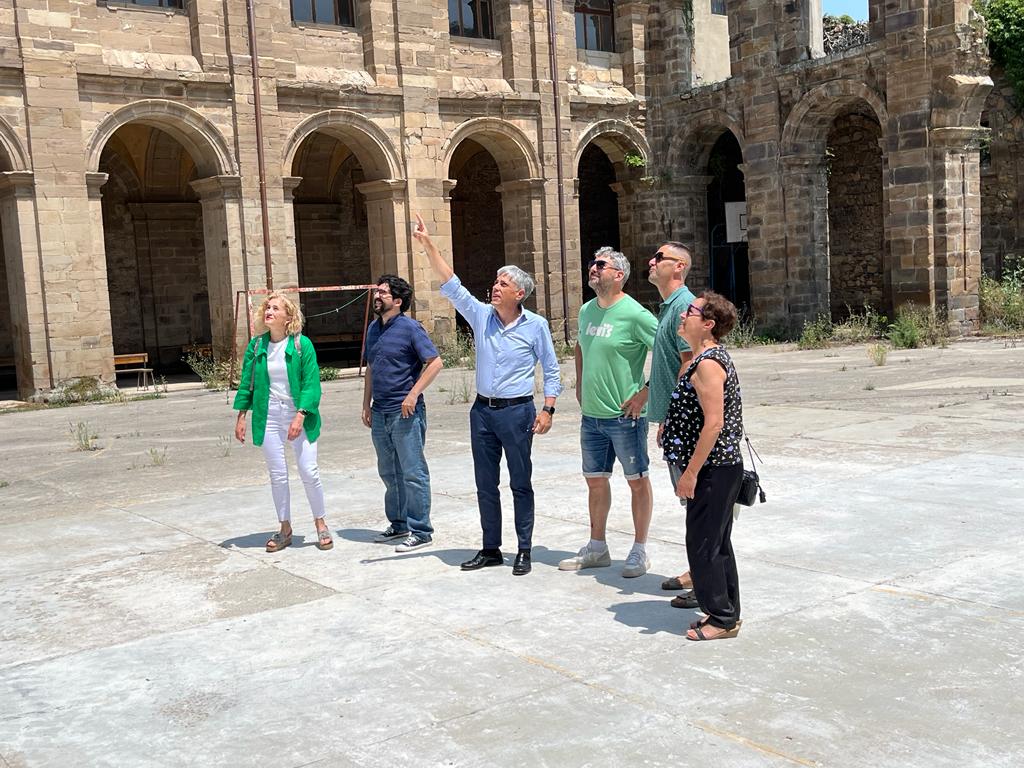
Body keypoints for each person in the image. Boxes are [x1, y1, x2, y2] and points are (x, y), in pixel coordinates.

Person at [412, 212, 561, 576]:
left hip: (518, 412)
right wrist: (428, 244)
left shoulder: (536, 326)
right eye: (495, 281)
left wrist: (548, 409)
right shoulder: (480, 316)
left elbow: (552, 369)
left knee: (520, 482)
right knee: (485, 483)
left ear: (519, 293)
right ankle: (491, 548)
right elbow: (452, 285)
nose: (494, 286)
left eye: (503, 283)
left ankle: (524, 549)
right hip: (482, 412)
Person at [558, 247, 658, 578]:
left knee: (637, 482)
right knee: (595, 482)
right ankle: (597, 547)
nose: (593, 268)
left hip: (625, 418)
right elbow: (580, 346)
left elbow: (671, 353)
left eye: (600, 265)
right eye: (592, 263)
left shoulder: (635, 314)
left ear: (619, 275)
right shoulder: (587, 311)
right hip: (593, 418)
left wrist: (645, 394)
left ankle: (640, 549)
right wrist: (580, 382)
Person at [662, 291, 745, 641]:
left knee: (703, 544)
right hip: (717, 468)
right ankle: (726, 613)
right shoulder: (701, 359)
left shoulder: (709, 364)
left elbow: (714, 424)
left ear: (708, 324)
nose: (683, 316)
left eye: (690, 312)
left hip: (713, 469)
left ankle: (721, 619)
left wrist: (691, 473)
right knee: (717, 542)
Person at [233, 292, 332, 553]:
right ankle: (285, 528)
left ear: (288, 316)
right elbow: (247, 384)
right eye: (267, 307)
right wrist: (242, 415)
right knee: (277, 475)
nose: (269, 311)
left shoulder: (302, 345)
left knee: (308, 471)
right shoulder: (256, 346)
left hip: (299, 415)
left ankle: (320, 523)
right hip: (269, 417)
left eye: (275, 308)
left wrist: (300, 415)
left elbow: (311, 384)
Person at [362, 274, 443, 552]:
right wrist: (366, 404)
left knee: (413, 472)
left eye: (383, 293)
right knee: (389, 471)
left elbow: (435, 362)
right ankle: (399, 524)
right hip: (380, 411)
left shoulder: (410, 328)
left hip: (405, 412)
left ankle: (421, 530)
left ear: (397, 301)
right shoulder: (374, 329)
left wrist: (413, 394)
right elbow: (371, 368)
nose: (377, 295)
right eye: (377, 291)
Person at [646, 242, 699, 607]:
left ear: (678, 267)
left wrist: (673, 417)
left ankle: (704, 580)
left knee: (698, 503)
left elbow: (688, 364)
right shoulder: (670, 307)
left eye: (659, 258)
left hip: (686, 426)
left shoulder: (683, 307)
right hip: (676, 421)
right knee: (690, 505)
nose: (651, 262)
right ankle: (697, 569)